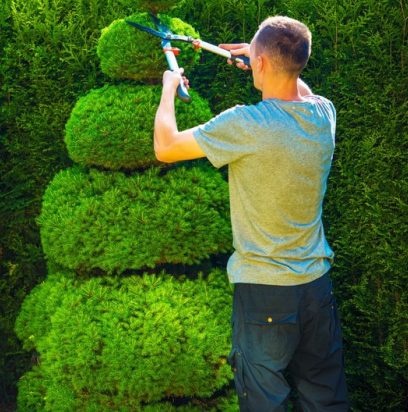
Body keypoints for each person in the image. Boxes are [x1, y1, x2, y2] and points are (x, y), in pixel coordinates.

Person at [153, 16, 350, 412]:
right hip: (316, 288)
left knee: (264, 402)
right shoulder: (323, 115)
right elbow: (298, 90)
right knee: (325, 399)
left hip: (264, 295)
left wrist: (169, 88)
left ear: (260, 63)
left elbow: (166, 146)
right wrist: (263, 59)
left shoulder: (247, 124)